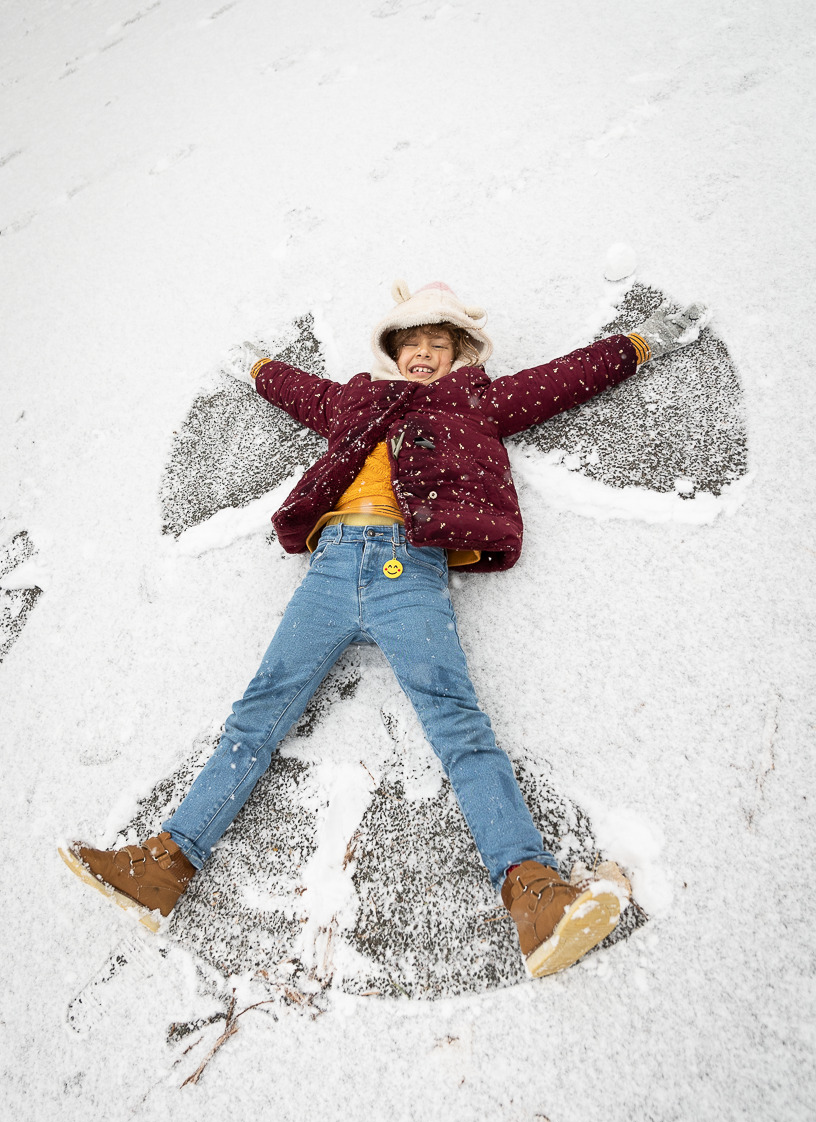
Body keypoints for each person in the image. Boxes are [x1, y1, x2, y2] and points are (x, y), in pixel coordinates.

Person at [68, 280, 706, 977]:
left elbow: (561, 380)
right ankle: (163, 866)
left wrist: (641, 342)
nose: (423, 354)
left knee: (459, 728)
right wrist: (256, 366)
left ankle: (535, 895)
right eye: (412, 344)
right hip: (331, 569)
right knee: (255, 717)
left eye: (438, 344)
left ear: (460, 356)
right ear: (393, 353)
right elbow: (299, 392)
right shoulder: (357, 400)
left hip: (412, 573)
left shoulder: (476, 400)